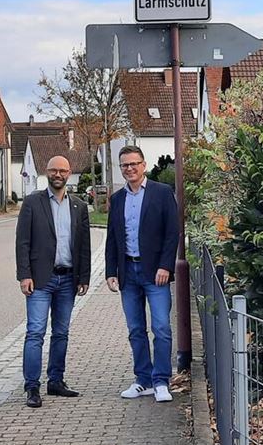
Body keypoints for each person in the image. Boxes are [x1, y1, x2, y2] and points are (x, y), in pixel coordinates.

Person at [15, 155, 91, 408]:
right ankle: (32, 387)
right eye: (53, 171)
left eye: (63, 171)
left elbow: (84, 246)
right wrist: (24, 274)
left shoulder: (78, 206)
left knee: (61, 333)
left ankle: (56, 381)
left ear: (69, 173)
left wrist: (84, 277)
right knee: (35, 332)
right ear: (46, 172)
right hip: (39, 280)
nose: (58, 175)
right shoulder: (32, 203)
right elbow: (22, 241)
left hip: (68, 279)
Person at [105, 145, 179, 403]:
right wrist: (110, 270)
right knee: (136, 329)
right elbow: (112, 237)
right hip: (128, 272)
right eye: (125, 165)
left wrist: (165, 266)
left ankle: (161, 381)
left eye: (134, 163)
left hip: (155, 273)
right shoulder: (117, 199)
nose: (130, 168)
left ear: (143, 165)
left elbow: (173, 232)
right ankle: (143, 380)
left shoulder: (162, 193)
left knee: (161, 327)